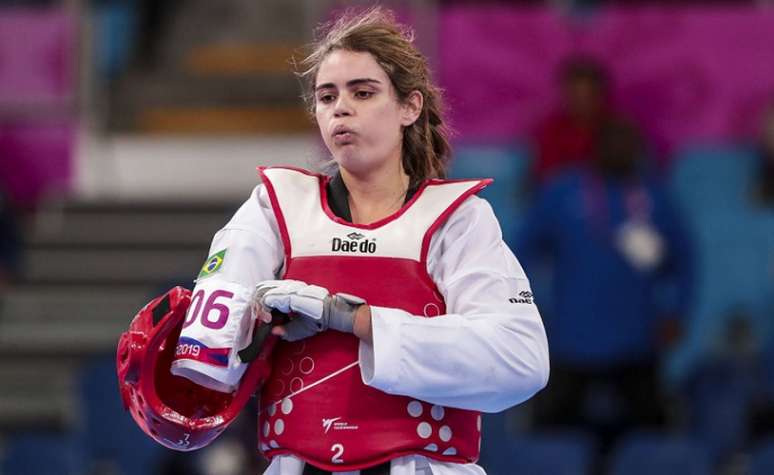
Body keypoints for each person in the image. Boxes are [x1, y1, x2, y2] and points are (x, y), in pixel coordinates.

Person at [167, 8, 549, 475]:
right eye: (327, 97)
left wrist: (356, 320)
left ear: (410, 107)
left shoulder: (457, 219)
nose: (341, 108)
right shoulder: (275, 206)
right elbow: (207, 355)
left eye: (363, 92)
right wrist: (248, 335)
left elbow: (521, 359)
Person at [517, 119, 694, 454]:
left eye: (630, 143)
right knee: (551, 440)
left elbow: (684, 260)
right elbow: (520, 252)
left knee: (652, 442)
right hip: (573, 343)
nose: (621, 150)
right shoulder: (563, 191)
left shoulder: (654, 197)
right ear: (596, 147)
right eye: (614, 142)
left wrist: (677, 312)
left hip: (637, 342)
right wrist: (526, 306)